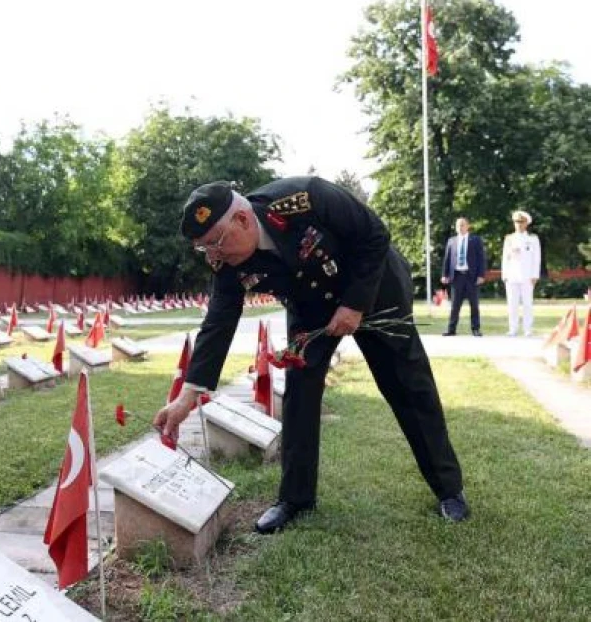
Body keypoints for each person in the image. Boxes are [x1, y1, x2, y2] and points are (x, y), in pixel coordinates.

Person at [153, 177, 469, 534]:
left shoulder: (305, 198)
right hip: (311, 311)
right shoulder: (226, 262)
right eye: (204, 249)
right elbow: (218, 322)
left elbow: (374, 234)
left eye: (215, 243)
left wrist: (353, 305)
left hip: (376, 291)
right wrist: (188, 396)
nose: (213, 255)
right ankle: (295, 498)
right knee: (300, 396)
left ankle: (449, 490)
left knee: (409, 388)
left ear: (242, 219)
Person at [439, 217, 486, 337]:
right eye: (458, 225)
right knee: (455, 305)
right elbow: (447, 259)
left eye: (463, 225)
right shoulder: (452, 241)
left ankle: (475, 329)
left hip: (471, 276)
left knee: (474, 304)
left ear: (468, 226)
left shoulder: (475, 240)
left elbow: (481, 259)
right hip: (457, 276)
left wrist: (481, 275)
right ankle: (451, 329)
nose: (460, 227)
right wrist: (445, 274)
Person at [501, 210, 541, 336]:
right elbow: (505, 258)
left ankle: (527, 329)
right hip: (512, 275)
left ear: (526, 223)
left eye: (521, 222)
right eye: (516, 222)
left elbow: (536, 258)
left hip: (527, 275)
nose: (518, 224)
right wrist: (504, 274)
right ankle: (513, 328)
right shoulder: (509, 239)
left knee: (527, 304)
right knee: (512, 304)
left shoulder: (532, 239)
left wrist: (535, 275)